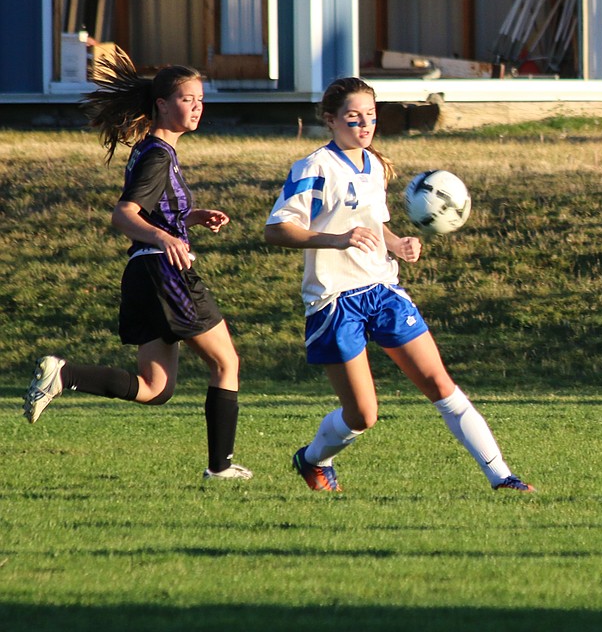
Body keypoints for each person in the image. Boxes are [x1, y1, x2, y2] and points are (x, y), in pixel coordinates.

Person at [263, 76, 534, 494]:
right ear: (330, 120)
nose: (364, 125)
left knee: (440, 384)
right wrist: (336, 239)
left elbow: (374, 224)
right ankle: (312, 458)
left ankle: (503, 478)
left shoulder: (374, 165)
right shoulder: (314, 167)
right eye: (353, 117)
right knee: (362, 416)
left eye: (370, 116)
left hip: (382, 289)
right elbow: (277, 230)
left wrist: (398, 244)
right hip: (334, 300)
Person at [22, 52, 252, 481]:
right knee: (226, 364)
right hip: (165, 273)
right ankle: (219, 469)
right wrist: (166, 236)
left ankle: (64, 373)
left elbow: (151, 211)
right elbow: (124, 214)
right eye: (188, 99)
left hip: (145, 274)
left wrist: (188, 218)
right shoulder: (158, 154)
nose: (197, 107)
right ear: (162, 104)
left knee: (154, 389)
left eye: (200, 99)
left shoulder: (153, 149)